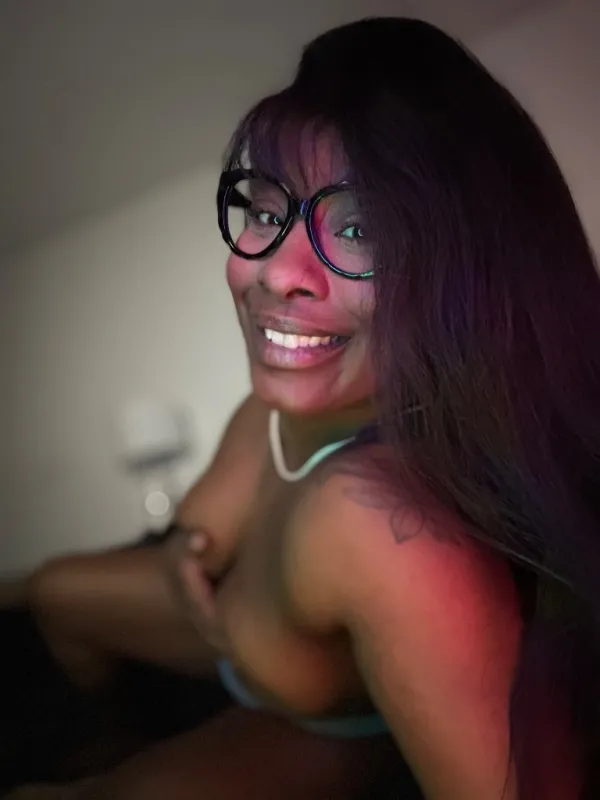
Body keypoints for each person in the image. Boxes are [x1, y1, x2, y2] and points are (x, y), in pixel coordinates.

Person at [8, 15, 600, 799]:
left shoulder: (381, 527)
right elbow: (196, 530)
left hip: (309, 721)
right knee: (52, 592)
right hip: (234, 644)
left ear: (468, 269)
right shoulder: (270, 417)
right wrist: (189, 556)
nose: (275, 272)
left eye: (358, 228)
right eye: (265, 211)